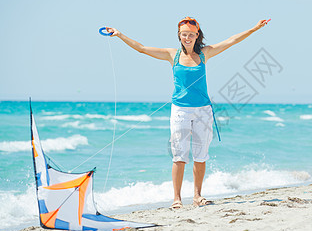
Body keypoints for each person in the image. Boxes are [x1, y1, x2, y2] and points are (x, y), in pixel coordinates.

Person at [105, 17, 269, 209]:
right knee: (179, 156)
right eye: (184, 34)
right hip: (180, 111)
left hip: (203, 111)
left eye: (191, 34)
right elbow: (141, 48)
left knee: (200, 156)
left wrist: (254, 28)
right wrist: (120, 34)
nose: (187, 37)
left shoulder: (205, 54)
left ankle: (198, 196)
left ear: (197, 35)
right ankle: (177, 198)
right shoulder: (171, 55)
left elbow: (231, 40)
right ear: (179, 35)